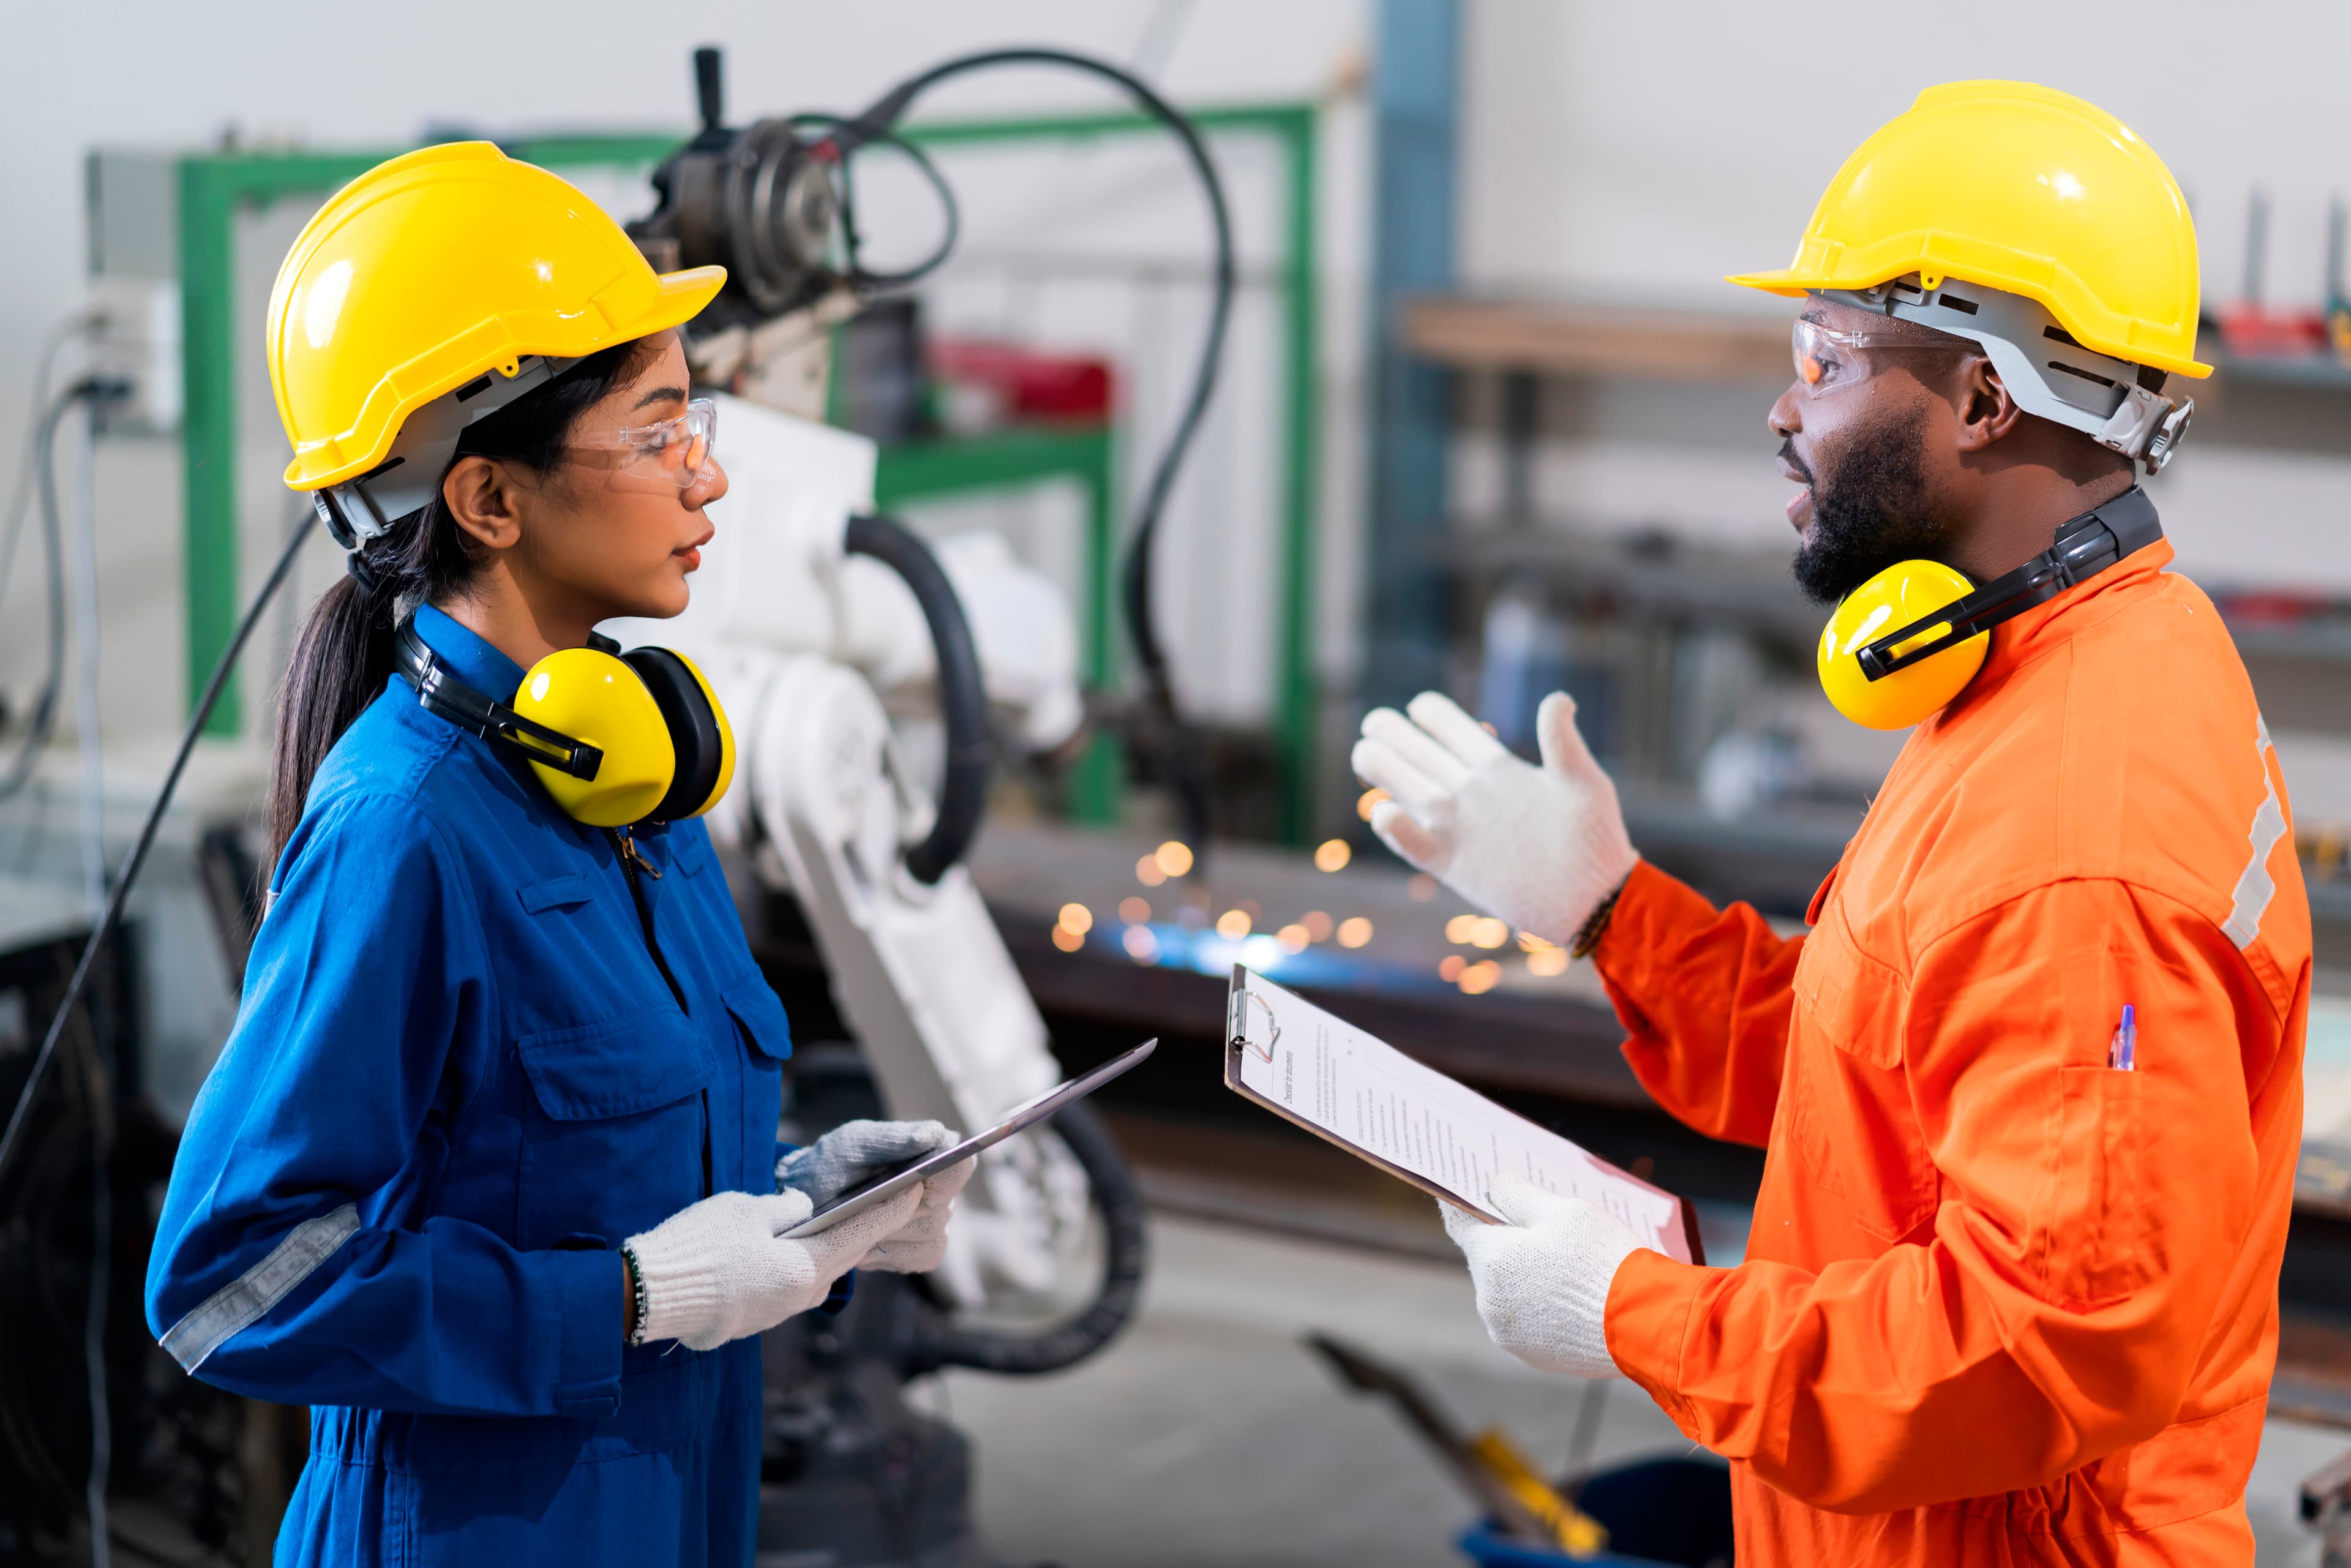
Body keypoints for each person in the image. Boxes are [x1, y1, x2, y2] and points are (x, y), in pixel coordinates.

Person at [1354, 81, 2309, 1563]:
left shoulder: (2078, 835)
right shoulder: (2068, 659)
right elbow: (1888, 1079)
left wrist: (1637, 1314)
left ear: (1987, 399)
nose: (1787, 408)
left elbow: (2043, 1345)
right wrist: (1619, 914)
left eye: (1830, 354)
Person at [144, 143, 973, 1566]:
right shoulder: (406, 829)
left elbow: (574, 1169)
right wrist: (635, 1299)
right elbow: (226, 1288)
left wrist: (808, 1212)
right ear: (490, 499)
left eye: (692, 420)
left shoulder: (631, 778)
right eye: (657, 433)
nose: (706, 475)